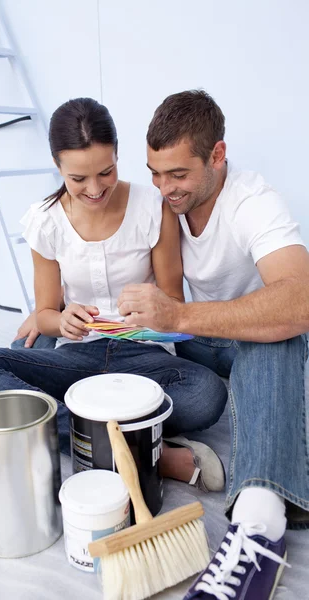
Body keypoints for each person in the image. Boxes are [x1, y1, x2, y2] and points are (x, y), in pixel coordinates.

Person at [0, 97, 228, 492]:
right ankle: (145, 453)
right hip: (78, 359)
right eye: (78, 179)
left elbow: (174, 305)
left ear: (117, 157)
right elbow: (44, 313)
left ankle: (66, 432)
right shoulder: (45, 222)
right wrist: (61, 320)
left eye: (106, 172)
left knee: (206, 394)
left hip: (143, 358)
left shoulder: (152, 207)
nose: (95, 189)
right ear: (58, 167)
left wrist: (149, 314)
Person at [114, 90, 309, 600]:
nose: (164, 188)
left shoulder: (253, 201)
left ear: (217, 156)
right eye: (155, 173)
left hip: (244, 339)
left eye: (178, 175)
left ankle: (259, 522)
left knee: (278, 336)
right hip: (191, 340)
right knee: (74, 350)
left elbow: (300, 303)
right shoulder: (156, 201)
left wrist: (177, 313)